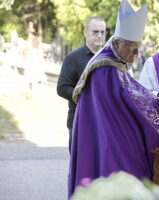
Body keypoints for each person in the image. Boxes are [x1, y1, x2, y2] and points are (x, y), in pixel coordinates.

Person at [68, 0, 159, 198]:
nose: (136, 55)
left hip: (108, 135)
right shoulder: (105, 67)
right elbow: (129, 99)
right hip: (110, 139)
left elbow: (133, 91)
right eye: (133, 48)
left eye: (138, 48)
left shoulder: (116, 61)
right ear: (117, 43)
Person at [57, 16, 107, 153]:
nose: (100, 36)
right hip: (79, 121)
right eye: (95, 32)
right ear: (85, 32)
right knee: (78, 169)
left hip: (106, 122)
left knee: (102, 169)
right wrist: (87, 97)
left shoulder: (112, 58)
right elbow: (62, 88)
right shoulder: (72, 58)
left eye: (103, 32)